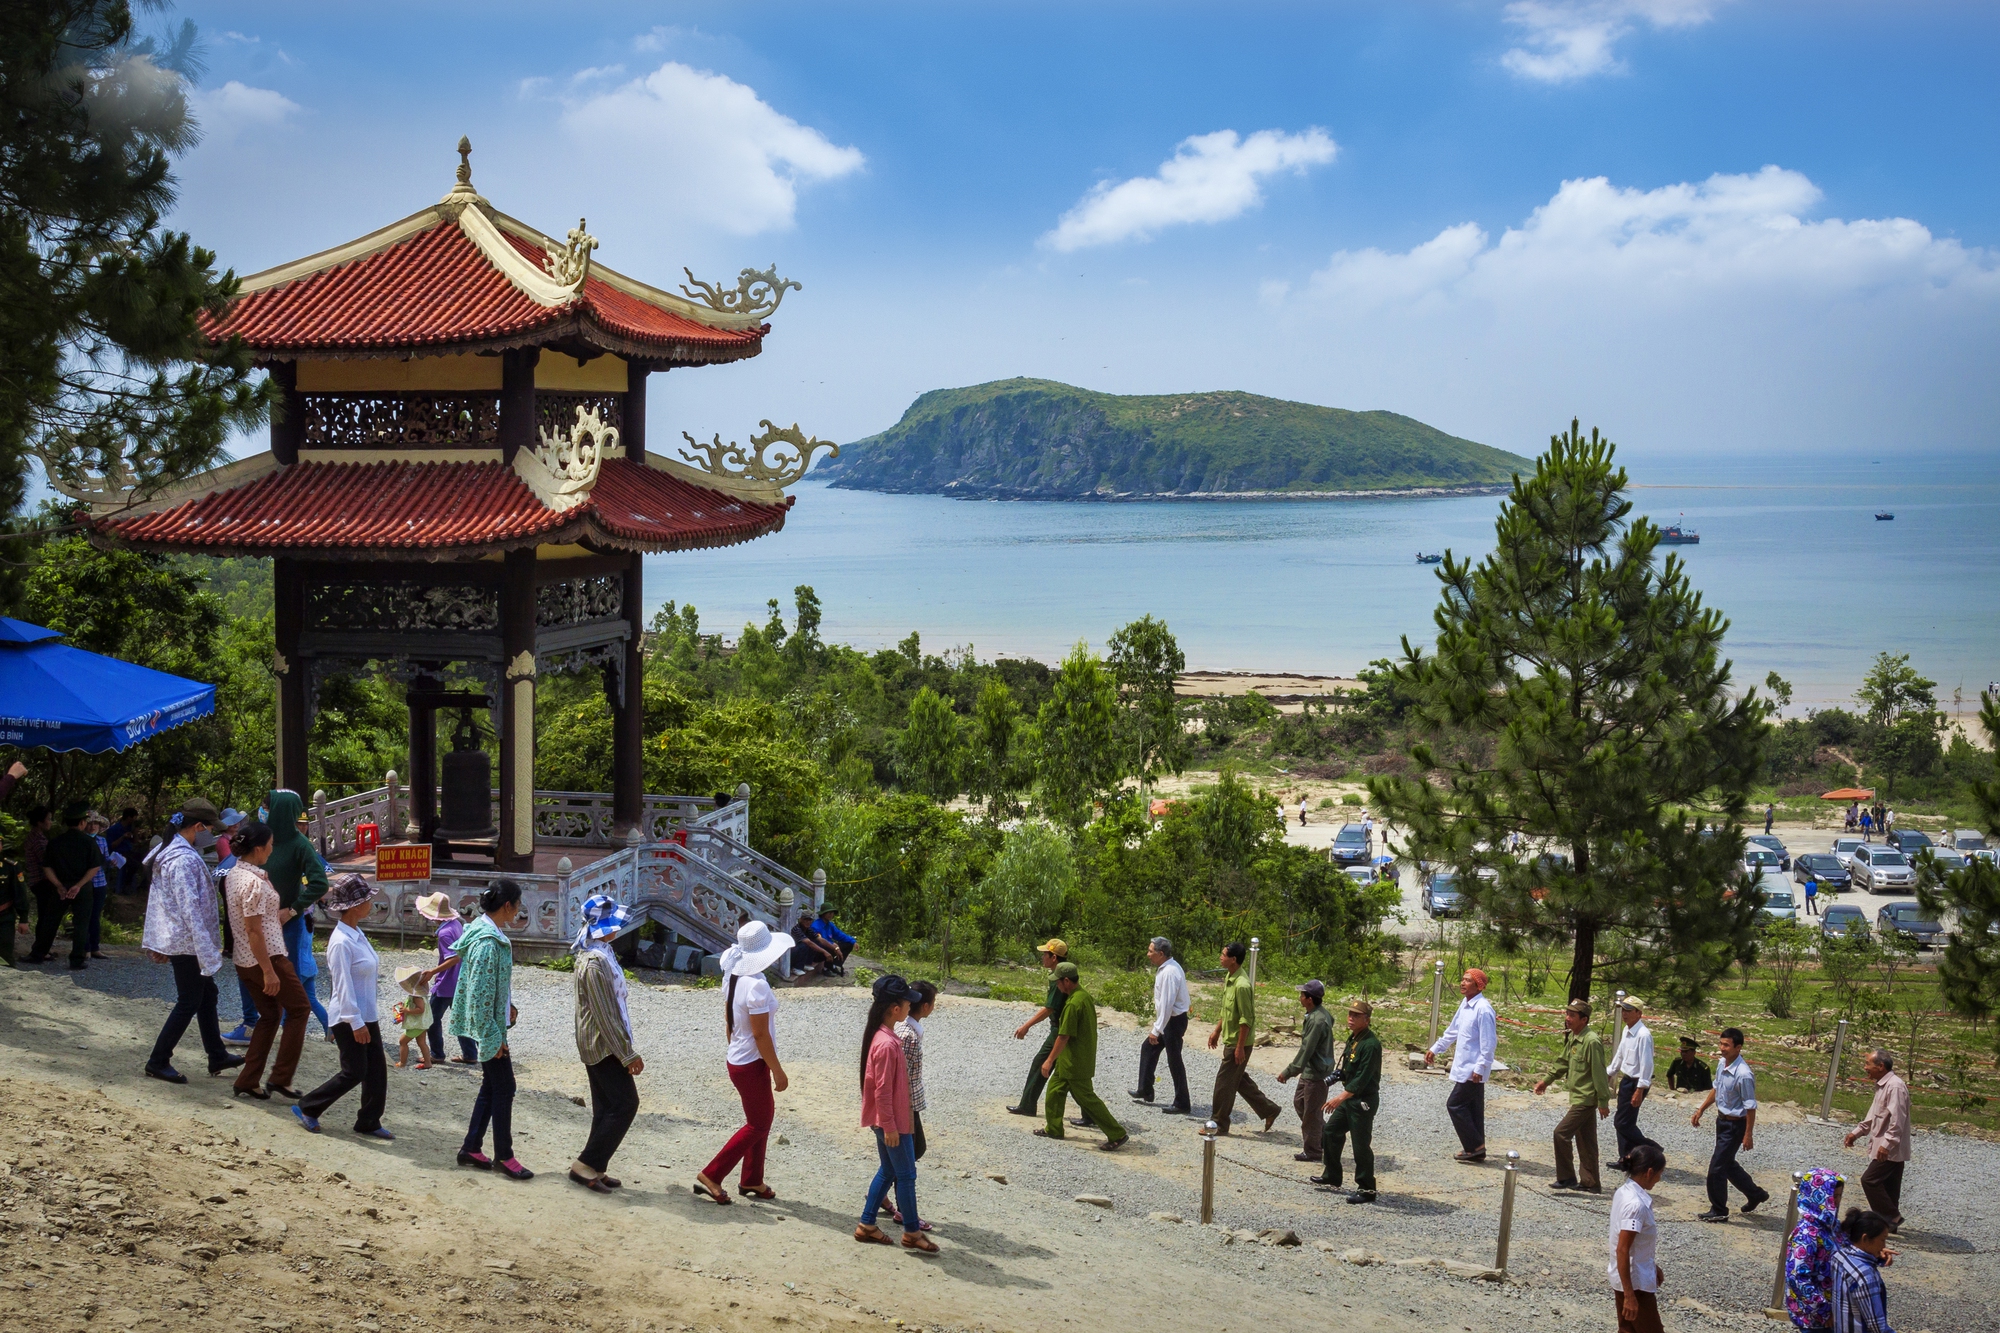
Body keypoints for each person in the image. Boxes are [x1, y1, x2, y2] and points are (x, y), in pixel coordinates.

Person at [140, 799, 243, 1083]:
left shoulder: (171, 851)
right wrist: (205, 947)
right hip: (189, 941)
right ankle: (158, 1060)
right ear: (198, 827)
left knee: (207, 995)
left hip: (184, 938)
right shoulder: (183, 859)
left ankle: (217, 1054)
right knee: (189, 1000)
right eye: (210, 828)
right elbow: (189, 906)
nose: (212, 833)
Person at [696, 918, 791, 1204]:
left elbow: (730, 1020)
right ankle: (712, 1174)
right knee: (758, 1124)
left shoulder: (733, 978)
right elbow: (761, 1035)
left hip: (740, 1058)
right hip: (751, 1062)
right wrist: (779, 1071)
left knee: (761, 1119)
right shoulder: (757, 986)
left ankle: (752, 1179)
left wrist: (736, 1047)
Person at [293, 874, 391, 1140]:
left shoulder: (356, 934)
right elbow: (342, 985)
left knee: (376, 1071)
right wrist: (355, 1022)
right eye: (367, 899)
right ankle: (309, 1107)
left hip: (365, 1013)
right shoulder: (341, 942)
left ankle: (369, 1120)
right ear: (355, 905)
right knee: (355, 1071)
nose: (371, 902)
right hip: (349, 1016)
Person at [222, 822, 309, 1100]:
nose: (272, 850)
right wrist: (269, 971)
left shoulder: (235, 874)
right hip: (266, 958)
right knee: (299, 1009)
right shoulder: (254, 883)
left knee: (270, 1015)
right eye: (270, 845)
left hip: (245, 960)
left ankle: (249, 1079)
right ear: (259, 848)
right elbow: (254, 930)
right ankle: (281, 1077)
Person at [449, 879, 530, 1179]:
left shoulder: (484, 933)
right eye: (518, 905)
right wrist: (492, 1036)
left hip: (493, 1024)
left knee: (492, 1086)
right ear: (508, 906)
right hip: (491, 1030)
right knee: (505, 1086)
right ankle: (504, 1156)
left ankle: (471, 1147)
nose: (519, 911)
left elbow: (490, 986)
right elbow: (479, 994)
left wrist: (507, 1003)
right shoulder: (486, 941)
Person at [855, 974, 937, 1252]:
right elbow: (882, 1091)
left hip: (887, 1120)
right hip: (891, 1122)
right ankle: (912, 1232)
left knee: (889, 1170)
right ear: (895, 1009)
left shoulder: (881, 1035)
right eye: (906, 1003)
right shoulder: (888, 1044)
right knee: (906, 1175)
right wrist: (890, 1126)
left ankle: (867, 1223)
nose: (909, 1008)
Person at [570, 895, 645, 1193]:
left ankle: (596, 1166)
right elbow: (606, 1014)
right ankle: (585, 1164)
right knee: (626, 1104)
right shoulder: (594, 963)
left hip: (597, 1041)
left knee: (606, 1107)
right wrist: (627, 1053)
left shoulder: (599, 953)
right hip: (603, 1044)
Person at [1033, 961, 1127, 1150]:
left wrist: (1049, 1060)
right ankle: (1053, 1128)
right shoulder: (1083, 996)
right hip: (1071, 1059)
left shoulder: (1074, 1003)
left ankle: (1117, 1134)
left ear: (1066, 981)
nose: (1057, 986)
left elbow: (1064, 1035)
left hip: (1075, 1062)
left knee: (1087, 1099)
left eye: (1058, 982)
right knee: (1054, 1091)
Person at [263, 791, 331, 1038]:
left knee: (287, 980)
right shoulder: (259, 838)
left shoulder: (300, 844)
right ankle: (252, 1024)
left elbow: (319, 884)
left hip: (287, 924)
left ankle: (288, 1031)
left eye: (266, 808)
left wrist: (292, 909)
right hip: (256, 919)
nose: (263, 812)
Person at [1691, 1027, 1769, 1221]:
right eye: (1721, 1043)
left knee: (1716, 1168)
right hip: (1722, 1122)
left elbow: (1750, 1107)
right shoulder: (1721, 1064)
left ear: (1738, 1047)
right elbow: (1716, 1089)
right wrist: (1701, 1109)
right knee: (1727, 1164)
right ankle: (1755, 1193)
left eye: (1726, 1045)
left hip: (1736, 1126)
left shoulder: (1743, 1074)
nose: (1722, 1048)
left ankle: (1719, 1210)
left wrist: (1748, 1134)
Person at [1205, 941, 1281, 1135]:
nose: (1220, 957)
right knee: (1238, 1081)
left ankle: (1219, 1124)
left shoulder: (1242, 985)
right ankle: (1269, 1109)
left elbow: (1246, 1019)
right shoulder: (1229, 977)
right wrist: (1216, 1031)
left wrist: (1240, 1047)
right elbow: (1227, 1010)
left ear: (1233, 959)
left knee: (1224, 1084)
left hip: (1239, 1043)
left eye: (1223, 955)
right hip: (1230, 1040)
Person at [1312, 998, 1384, 1202]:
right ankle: (1332, 1175)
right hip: (1350, 1097)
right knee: (1331, 1131)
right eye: (1350, 1014)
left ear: (1367, 1020)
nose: (1351, 1019)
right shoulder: (1353, 1039)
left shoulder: (1371, 1045)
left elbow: (1363, 1077)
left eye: (1356, 1016)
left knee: (1360, 1145)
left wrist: (1339, 1097)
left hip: (1362, 1100)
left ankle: (1367, 1188)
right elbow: (1349, 1069)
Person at [1536, 998, 1610, 1192]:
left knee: (1561, 1134)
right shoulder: (1574, 1037)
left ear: (1584, 1019)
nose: (1567, 1018)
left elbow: (1599, 1073)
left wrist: (1603, 1100)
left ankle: (1567, 1178)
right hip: (1578, 1097)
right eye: (1567, 1014)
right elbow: (1563, 1062)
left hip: (1586, 1099)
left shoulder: (1591, 1041)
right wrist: (1546, 1080)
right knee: (1586, 1142)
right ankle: (1591, 1183)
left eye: (1572, 1015)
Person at [1425, 967, 1497, 1161]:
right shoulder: (1465, 1005)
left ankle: (1474, 1145)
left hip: (1473, 1069)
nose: (1462, 983)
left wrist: (1481, 1067)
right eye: (1462, 979)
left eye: (1468, 980)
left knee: (1455, 1105)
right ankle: (1476, 1150)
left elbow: (1489, 1043)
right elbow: (1452, 1031)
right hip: (1465, 1065)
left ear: (1478, 986)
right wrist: (1435, 1048)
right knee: (1473, 1108)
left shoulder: (1483, 1009)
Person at [1844, 1049, 1910, 1233]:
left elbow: (1898, 1119)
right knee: (1889, 1187)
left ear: (1880, 1066)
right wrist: (1856, 1133)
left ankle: (1892, 1217)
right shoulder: (1883, 1085)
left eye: (1868, 1064)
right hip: (1887, 1146)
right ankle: (1887, 1225)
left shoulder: (1895, 1087)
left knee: (1869, 1180)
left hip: (1890, 1148)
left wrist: (1887, 1144)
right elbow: (1874, 1115)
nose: (1865, 1068)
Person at [1005, 939, 1072, 1118]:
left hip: (1061, 1030)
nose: (1042, 957)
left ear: (1054, 957)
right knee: (1071, 1074)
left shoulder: (1059, 977)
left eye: (1045, 954)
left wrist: (1026, 1026)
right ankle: (1090, 1115)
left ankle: (1027, 1106)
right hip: (1062, 1028)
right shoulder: (1061, 973)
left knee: (1042, 1064)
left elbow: (1049, 1008)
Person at [32, 800, 101, 969]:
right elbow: (95, 867)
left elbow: (46, 866)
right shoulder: (88, 842)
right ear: (82, 822)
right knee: (81, 923)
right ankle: (77, 959)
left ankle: (38, 954)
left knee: (51, 920)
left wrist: (58, 885)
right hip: (82, 888)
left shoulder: (55, 841)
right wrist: (79, 885)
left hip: (60, 887)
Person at [1609, 1143, 1668, 1333]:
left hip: (1626, 1277)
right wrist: (1629, 1295)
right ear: (1649, 1172)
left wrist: (1652, 1265)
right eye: (1660, 1173)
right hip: (1636, 1284)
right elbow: (1623, 1248)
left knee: (1627, 1330)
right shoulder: (1636, 1205)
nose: (1660, 1178)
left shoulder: (1624, 1192)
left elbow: (1633, 1245)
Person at [1275, 980, 1336, 1163]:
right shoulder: (1317, 1014)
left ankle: (1313, 1151)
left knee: (1311, 1113)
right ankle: (1324, 1137)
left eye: (1302, 995)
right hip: (1310, 1070)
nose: (1300, 997)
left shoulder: (1317, 1020)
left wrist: (1288, 1071)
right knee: (1300, 1103)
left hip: (1316, 1072)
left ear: (1309, 999)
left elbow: (1306, 1049)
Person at [1131, 936, 1191, 1113]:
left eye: (1151, 951)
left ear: (1161, 953)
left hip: (1173, 1021)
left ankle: (1182, 1102)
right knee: (1148, 1048)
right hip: (1170, 1020)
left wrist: (1156, 1030)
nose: (1148, 954)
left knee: (1174, 1061)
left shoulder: (1169, 973)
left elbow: (1167, 1004)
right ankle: (1145, 1089)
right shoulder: (1167, 968)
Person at [417, 892, 478, 1063]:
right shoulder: (456, 924)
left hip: (447, 983)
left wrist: (432, 972)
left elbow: (454, 958)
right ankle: (470, 1054)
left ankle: (437, 1054)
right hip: (461, 980)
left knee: (431, 1018)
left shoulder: (444, 933)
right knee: (461, 1017)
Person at [1785, 1167, 1846, 1332]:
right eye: (1833, 1196)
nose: (1837, 1202)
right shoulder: (1806, 1234)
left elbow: (1850, 1252)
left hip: (1835, 1312)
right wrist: (1824, 1311)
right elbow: (1798, 1278)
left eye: (1839, 1196)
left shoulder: (1833, 1226)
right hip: (1815, 1317)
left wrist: (1875, 1255)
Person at [1830, 1210, 1898, 1333]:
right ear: (1865, 1238)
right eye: (1882, 1240)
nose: (1884, 1245)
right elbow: (1877, 1326)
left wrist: (1876, 1257)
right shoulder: (1865, 1276)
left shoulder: (1839, 1256)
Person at [1608, 995, 1655, 1170]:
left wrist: (1640, 1089)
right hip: (1627, 1080)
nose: (1625, 1014)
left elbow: (1647, 1064)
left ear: (1638, 1013)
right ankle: (1626, 1158)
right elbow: (1620, 1054)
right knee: (1625, 1121)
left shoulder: (1643, 1035)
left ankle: (1651, 1148)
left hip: (1636, 1082)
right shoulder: (1627, 1031)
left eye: (1628, 1010)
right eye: (1623, 1010)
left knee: (1622, 1122)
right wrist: (1610, 1072)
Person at [899, 980, 936, 1163]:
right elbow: (900, 1074)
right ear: (926, 1006)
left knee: (914, 1150)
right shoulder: (908, 1035)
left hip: (908, 1101)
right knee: (911, 1152)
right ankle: (883, 1191)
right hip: (906, 1102)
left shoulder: (909, 1030)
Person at [80, 811, 113, 961]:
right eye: (90, 823)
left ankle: (95, 947)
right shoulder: (80, 840)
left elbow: (105, 859)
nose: (93, 826)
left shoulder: (102, 841)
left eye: (96, 824)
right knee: (84, 915)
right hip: (85, 883)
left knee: (95, 916)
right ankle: (85, 947)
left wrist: (112, 861)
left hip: (100, 882)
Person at [392, 970, 432, 1069]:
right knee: (421, 1042)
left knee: (403, 1042)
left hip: (417, 1024)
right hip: (422, 1023)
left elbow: (420, 1009)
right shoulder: (421, 994)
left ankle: (402, 1063)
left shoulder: (416, 997)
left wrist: (406, 1010)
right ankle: (428, 1063)